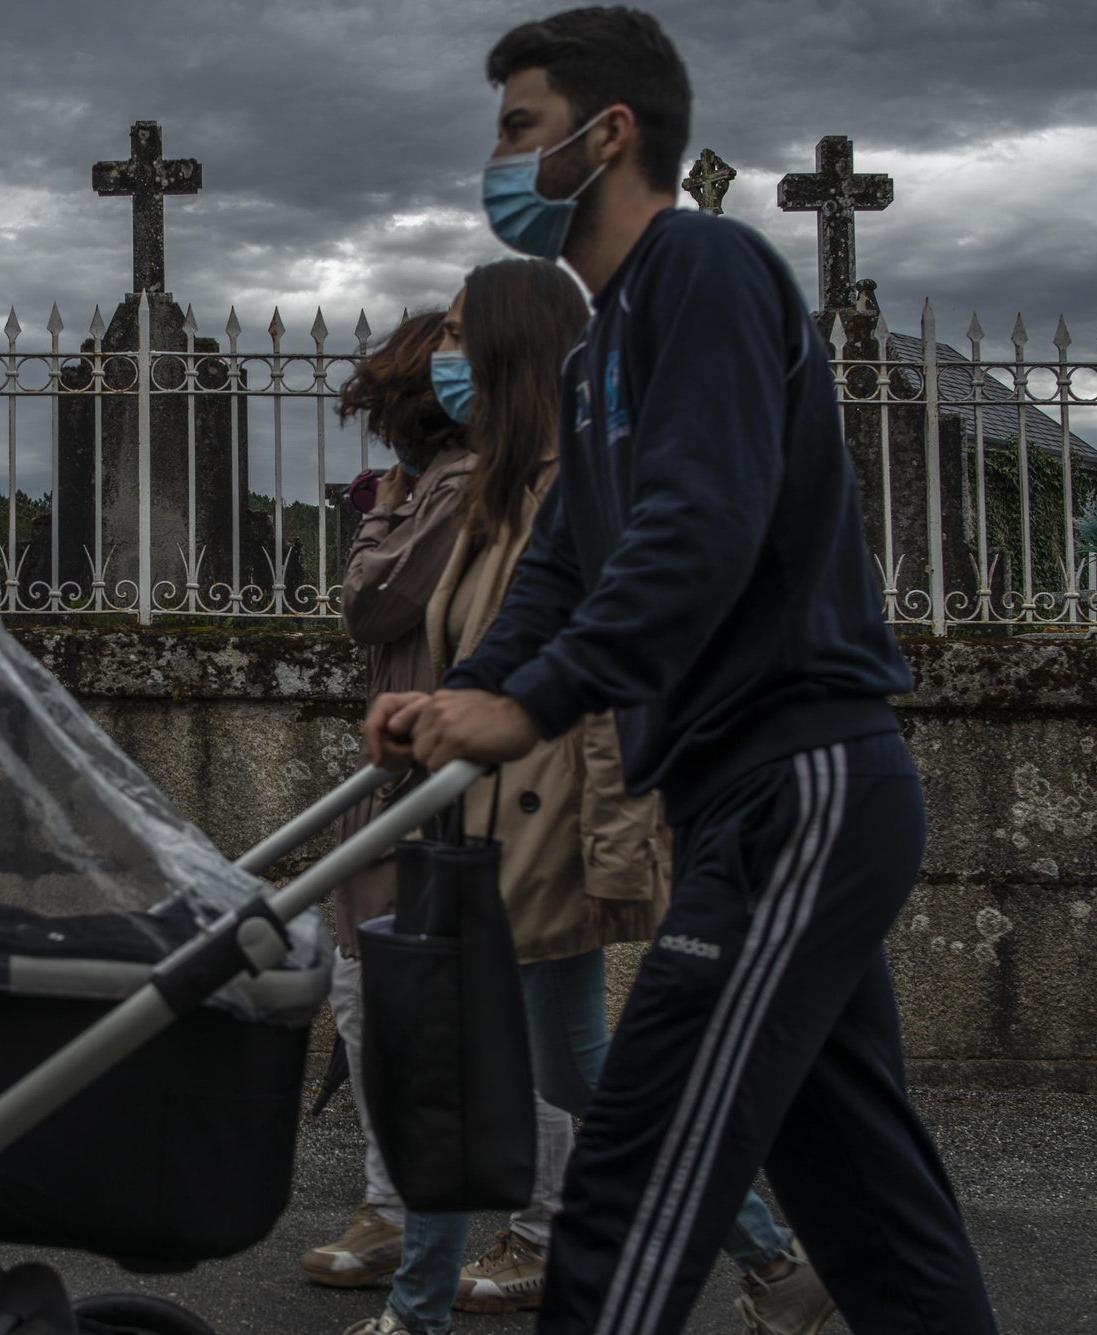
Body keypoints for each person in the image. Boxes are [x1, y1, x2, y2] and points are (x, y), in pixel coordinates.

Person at [365, 9, 997, 1335]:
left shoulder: (705, 267)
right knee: (862, 1186)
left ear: (610, 135)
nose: (500, 158)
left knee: (635, 1177)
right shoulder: (601, 346)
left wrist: (533, 699)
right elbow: (566, 567)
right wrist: (465, 686)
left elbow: (695, 529)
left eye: (520, 127)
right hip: (733, 790)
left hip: (798, 776)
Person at [344, 262, 828, 1335]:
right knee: (570, 1072)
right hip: (480, 818)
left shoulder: (574, 492)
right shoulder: (495, 485)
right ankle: (775, 1263)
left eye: (463, 336)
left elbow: (608, 692)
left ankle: (413, 1315)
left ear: (519, 349)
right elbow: (482, 658)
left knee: (458, 1062)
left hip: (537, 827)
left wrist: (614, 858)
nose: (442, 358)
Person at [301, 308, 582, 1298]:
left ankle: (550, 1231)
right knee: (367, 998)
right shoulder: (456, 483)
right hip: (413, 773)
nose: (376, 427)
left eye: (383, 403)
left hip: (450, 783)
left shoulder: (460, 486)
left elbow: (370, 605)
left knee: (465, 1033)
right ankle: (392, 1211)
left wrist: (379, 508)